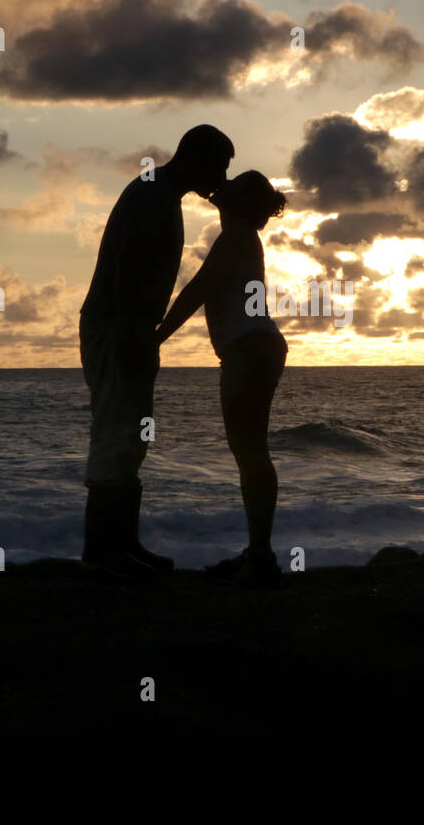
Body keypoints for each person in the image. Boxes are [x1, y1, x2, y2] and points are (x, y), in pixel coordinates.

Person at [80, 125, 234, 578]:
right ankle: (103, 551)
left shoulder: (161, 194)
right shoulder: (152, 195)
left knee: (129, 435)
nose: (222, 179)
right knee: (117, 431)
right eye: (220, 167)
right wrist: (135, 337)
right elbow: (130, 267)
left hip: (128, 325)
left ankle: (122, 544)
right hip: (119, 325)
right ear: (198, 158)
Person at [156, 171, 289, 587]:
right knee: (250, 451)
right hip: (252, 348)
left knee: (250, 451)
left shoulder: (236, 239)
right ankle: (258, 553)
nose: (221, 186)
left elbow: (197, 290)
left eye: (230, 187)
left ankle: (261, 557)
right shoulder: (241, 238)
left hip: (250, 350)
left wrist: (155, 338)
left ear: (239, 202)